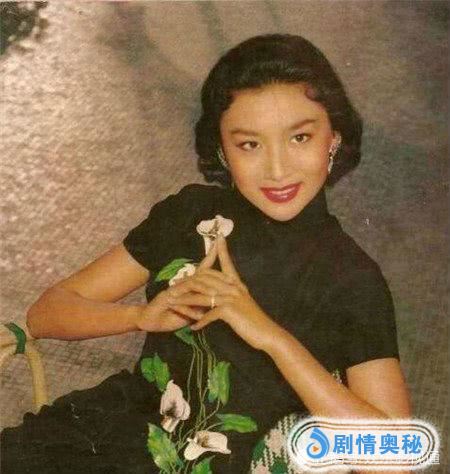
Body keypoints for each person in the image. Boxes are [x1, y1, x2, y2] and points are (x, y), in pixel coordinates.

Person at [1, 34, 411, 474]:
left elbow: (391, 459)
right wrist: (138, 317)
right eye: (249, 144)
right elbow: (46, 314)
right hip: (112, 435)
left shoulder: (351, 277)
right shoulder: (189, 214)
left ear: (334, 137)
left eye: (300, 137)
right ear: (221, 149)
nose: (277, 169)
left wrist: (270, 336)